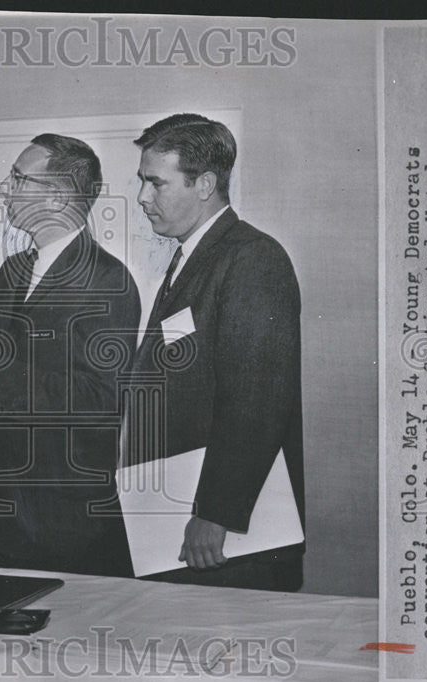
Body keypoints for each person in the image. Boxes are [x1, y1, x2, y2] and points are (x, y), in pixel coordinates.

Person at [128, 113, 305, 591]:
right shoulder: (193, 258)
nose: (143, 198)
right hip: (183, 521)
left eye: (155, 183)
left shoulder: (252, 258)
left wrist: (215, 512)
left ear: (204, 184)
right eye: (142, 182)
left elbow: (257, 398)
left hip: (228, 540)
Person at [0, 134, 140, 577]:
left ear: (55, 196)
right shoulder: (12, 271)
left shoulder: (110, 281)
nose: (4, 188)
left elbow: (99, 401)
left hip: (65, 524)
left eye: (18, 178)